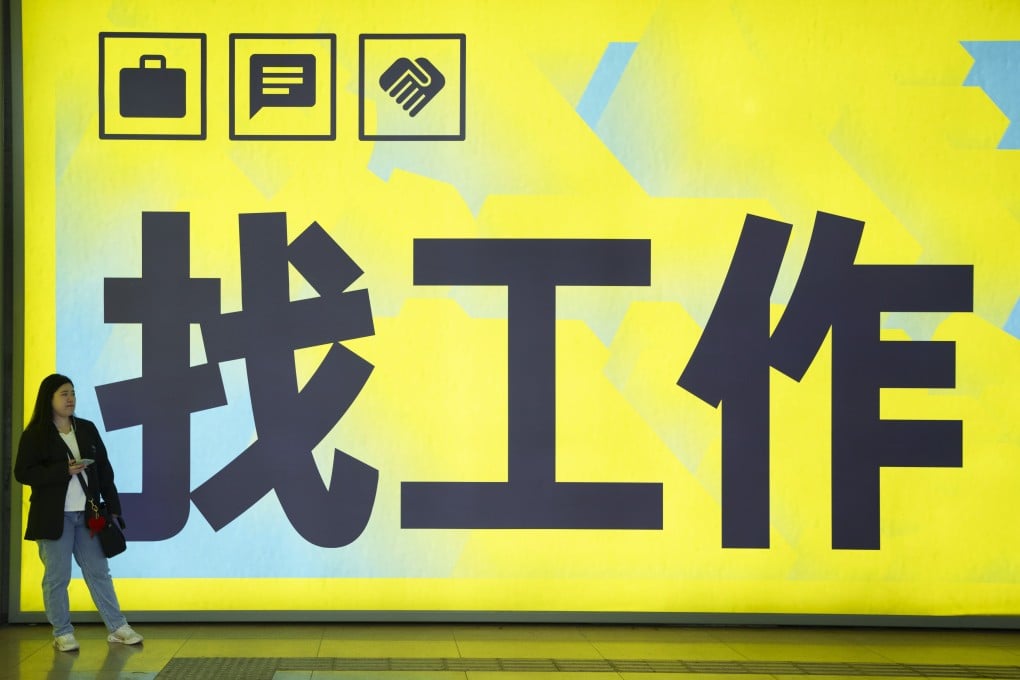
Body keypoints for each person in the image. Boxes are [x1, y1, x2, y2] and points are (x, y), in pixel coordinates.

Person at [14, 374, 143, 652]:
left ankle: (117, 626)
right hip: (53, 517)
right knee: (57, 577)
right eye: (64, 394)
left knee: (99, 572)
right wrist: (63, 470)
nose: (70, 398)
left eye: (72, 393)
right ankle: (62, 632)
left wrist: (113, 506)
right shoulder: (36, 434)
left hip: (88, 515)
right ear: (48, 398)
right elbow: (23, 473)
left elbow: (104, 470)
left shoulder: (86, 428)